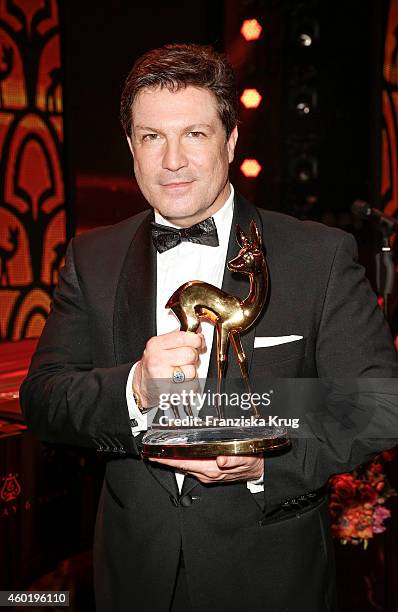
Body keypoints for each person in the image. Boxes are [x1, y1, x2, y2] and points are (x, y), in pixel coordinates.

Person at [20, 44, 398, 612]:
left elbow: (377, 402)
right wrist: (135, 389)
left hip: (272, 578)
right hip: (133, 576)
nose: (172, 159)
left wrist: (261, 446)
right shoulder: (90, 256)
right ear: (131, 147)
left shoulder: (316, 255)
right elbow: (43, 398)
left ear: (230, 140)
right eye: (152, 137)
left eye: (194, 134)